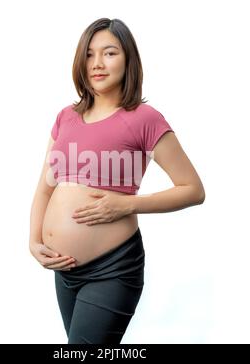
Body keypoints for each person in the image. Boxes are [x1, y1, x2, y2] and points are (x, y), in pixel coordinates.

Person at [29, 18, 205, 344]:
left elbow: (193, 189)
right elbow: (45, 187)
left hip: (112, 268)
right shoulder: (65, 117)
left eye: (109, 53)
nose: (97, 64)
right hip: (62, 271)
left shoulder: (144, 119)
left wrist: (127, 204)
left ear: (128, 60)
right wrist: (34, 240)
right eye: (89, 55)